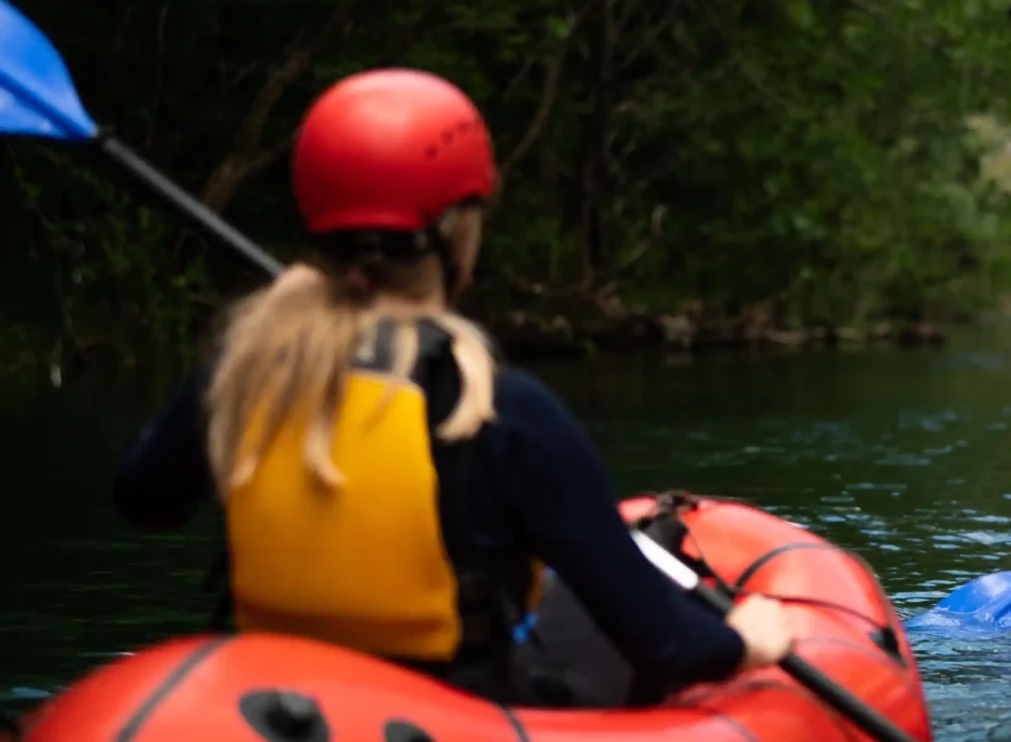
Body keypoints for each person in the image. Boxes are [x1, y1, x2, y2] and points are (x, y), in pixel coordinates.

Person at [112, 68, 794, 706]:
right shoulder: (503, 411)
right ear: (457, 232)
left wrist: (259, 334)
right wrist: (747, 639)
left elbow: (143, 497)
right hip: (453, 726)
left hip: (277, 712)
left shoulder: (243, 374)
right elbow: (666, 642)